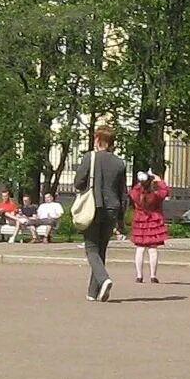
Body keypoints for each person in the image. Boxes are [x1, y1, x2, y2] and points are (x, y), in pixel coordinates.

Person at [74, 125, 128, 302]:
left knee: (91, 248)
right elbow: (123, 193)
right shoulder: (119, 163)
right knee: (101, 249)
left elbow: (78, 182)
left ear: (97, 139)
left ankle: (104, 279)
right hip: (112, 209)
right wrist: (121, 221)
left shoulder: (90, 157)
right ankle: (93, 292)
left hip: (93, 207)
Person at [129, 171, 170, 283]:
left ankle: (139, 276)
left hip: (140, 221)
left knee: (140, 249)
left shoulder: (136, 193)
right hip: (153, 220)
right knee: (153, 249)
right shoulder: (155, 195)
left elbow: (133, 191)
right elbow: (166, 191)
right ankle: (153, 275)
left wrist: (141, 183)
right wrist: (159, 181)